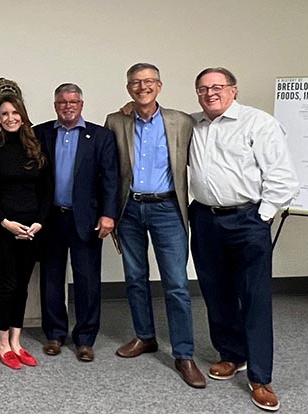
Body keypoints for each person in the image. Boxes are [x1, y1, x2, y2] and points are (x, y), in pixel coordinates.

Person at [189, 67, 299, 411]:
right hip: (205, 218)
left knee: (254, 297)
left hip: (246, 219)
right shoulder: (193, 124)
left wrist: (261, 217)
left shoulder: (258, 123)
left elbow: (283, 178)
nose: (210, 93)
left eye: (218, 87)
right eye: (203, 89)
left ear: (233, 90)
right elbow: (156, 118)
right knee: (215, 291)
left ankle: (260, 377)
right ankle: (231, 355)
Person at [105, 63, 205, 387]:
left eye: (148, 81)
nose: (142, 86)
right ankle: (144, 336)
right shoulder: (115, 121)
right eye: (136, 82)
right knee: (135, 277)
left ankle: (184, 354)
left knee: (176, 283)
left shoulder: (181, 121)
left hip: (167, 209)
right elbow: (109, 169)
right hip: (130, 209)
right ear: (128, 87)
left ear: (159, 86)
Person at [36, 83, 119, 363]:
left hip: (86, 219)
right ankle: (55, 334)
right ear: (55, 105)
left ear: (81, 104)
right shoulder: (40, 133)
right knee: (51, 279)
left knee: (87, 280)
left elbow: (110, 179)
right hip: (51, 218)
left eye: (73, 101)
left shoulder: (100, 136)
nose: (67, 106)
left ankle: (85, 339)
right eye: (62, 102)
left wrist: (109, 214)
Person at [0, 94, 51, 370]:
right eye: (4, 113)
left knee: (22, 286)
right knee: (8, 286)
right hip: (3, 229)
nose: (10, 118)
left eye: (14, 113)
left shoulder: (35, 147)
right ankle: (3, 342)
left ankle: (18, 343)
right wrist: (5, 222)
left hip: (32, 229)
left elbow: (46, 191)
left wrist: (39, 222)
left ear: (23, 114)